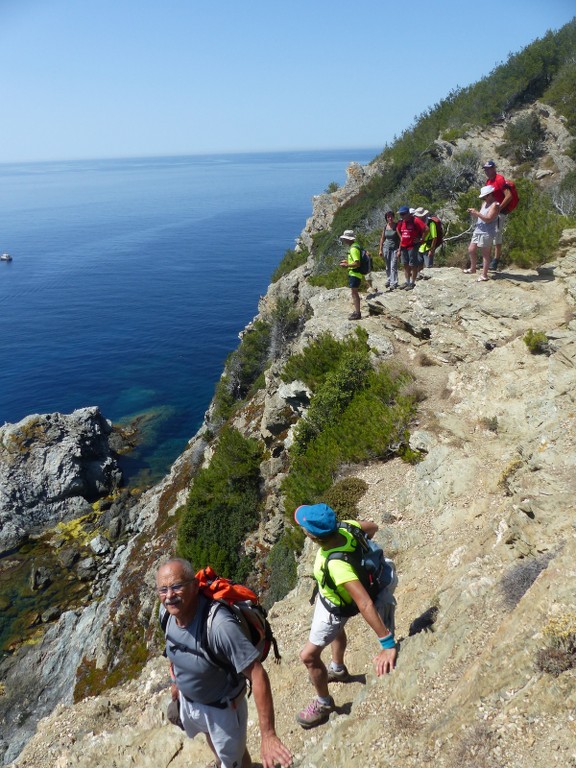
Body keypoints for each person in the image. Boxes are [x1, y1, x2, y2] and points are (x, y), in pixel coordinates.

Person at [157, 558, 293, 768]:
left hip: (222, 709)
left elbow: (258, 675)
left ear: (194, 587)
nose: (169, 596)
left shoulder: (219, 626)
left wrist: (268, 735)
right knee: (211, 738)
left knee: (235, 761)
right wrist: (176, 682)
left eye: (176, 587)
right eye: (163, 589)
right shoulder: (166, 614)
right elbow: (175, 649)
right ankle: (223, 758)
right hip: (191, 701)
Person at [294, 503, 397, 729]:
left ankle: (324, 704)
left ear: (312, 537)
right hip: (334, 599)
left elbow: (364, 603)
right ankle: (338, 669)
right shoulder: (346, 527)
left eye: (304, 528)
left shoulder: (338, 565)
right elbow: (373, 527)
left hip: (335, 608)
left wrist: (387, 643)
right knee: (336, 631)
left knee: (308, 656)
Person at [465, 185, 500, 282]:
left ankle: (484, 275)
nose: (484, 198)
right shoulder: (484, 203)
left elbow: (488, 219)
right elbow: (482, 217)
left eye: (485, 196)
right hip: (478, 230)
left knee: (485, 254)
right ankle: (473, 268)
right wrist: (475, 214)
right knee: (471, 249)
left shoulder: (495, 205)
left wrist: (477, 213)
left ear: (490, 195)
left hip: (487, 232)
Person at [482, 160, 512, 270]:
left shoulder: (499, 179)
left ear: (494, 168)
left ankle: (495, 260)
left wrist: (499, 208)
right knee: (489, 234)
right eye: (485, 169)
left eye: (488, 168)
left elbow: (508, 196)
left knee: (497, 234)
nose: (487, 171)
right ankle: (488, 261)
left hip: (500, 211)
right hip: (492, 211)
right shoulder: (488, 181)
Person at [396, 205, 427, 290]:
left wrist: (421, 239)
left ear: (408, 214)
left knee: (413, 265)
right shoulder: (402, 222)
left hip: (412, 246)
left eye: (403, 214)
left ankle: (412, 283)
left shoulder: (415, 220)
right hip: (403, 246)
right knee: (405, 264)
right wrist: (401, 237)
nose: (401, 216)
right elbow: (398, 229)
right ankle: (407, 281)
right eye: (400, 214)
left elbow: (426, 229)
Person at [339, 229, 363, 319]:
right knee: (354, 292)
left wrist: (347, 265)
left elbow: (357, 263)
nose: (344, 240)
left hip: (355, 274)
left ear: (349, 239)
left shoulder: (353, 249)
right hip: (356, 273)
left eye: (345, 238)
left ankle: (357, 313)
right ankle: (357, 311)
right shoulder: (356, 245)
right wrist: (347, 261)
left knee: (354, 293)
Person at [413, 207, 438, 280]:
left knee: (428, 266)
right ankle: (420, 277)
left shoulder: (431, 223)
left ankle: (429, 280)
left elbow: (434, 237)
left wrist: (432, 250)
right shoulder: (418, 223)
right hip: (420, 247)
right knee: (419, 264)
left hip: (428, 247)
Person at [378, 210, 400, 290]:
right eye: (388, 217)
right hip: (386, 248)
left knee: (393, 266)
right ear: (386, 218)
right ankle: (389, 279)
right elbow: (382, 238)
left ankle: (394, 283)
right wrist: (380, 249)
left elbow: (400, 238)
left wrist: (399, 249)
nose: (390, 218)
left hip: (394, 248)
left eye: (391, 216)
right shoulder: (385, 227)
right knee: (388, 266)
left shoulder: (396, 226)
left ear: (393, 217)